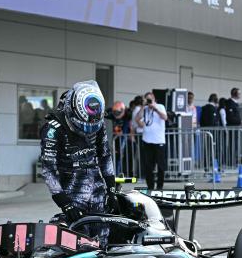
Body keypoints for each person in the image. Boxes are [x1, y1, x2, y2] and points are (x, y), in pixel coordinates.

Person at [40, 80, 117, 242]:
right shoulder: (53, 130)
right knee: (76, 244)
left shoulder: (97, 119)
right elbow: (48, 170)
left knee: (103, 243)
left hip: (98, 193)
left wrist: (111, 189)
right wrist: (65, 203)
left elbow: (104, 155)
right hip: (72, 195)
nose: (88, 129)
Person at [134, 91, 168, 190]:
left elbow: (165, 117)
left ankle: (160, 186)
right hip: (147, 141)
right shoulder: (144, 109)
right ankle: (150, 186)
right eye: (147, 100)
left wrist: (155, 108)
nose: (149, 102)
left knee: (161, 166)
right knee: (148, 166)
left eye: (150, 100)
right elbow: (137, 119)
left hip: (159, 141)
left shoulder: (160, 106)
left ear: (153, 98)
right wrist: (142, 107)